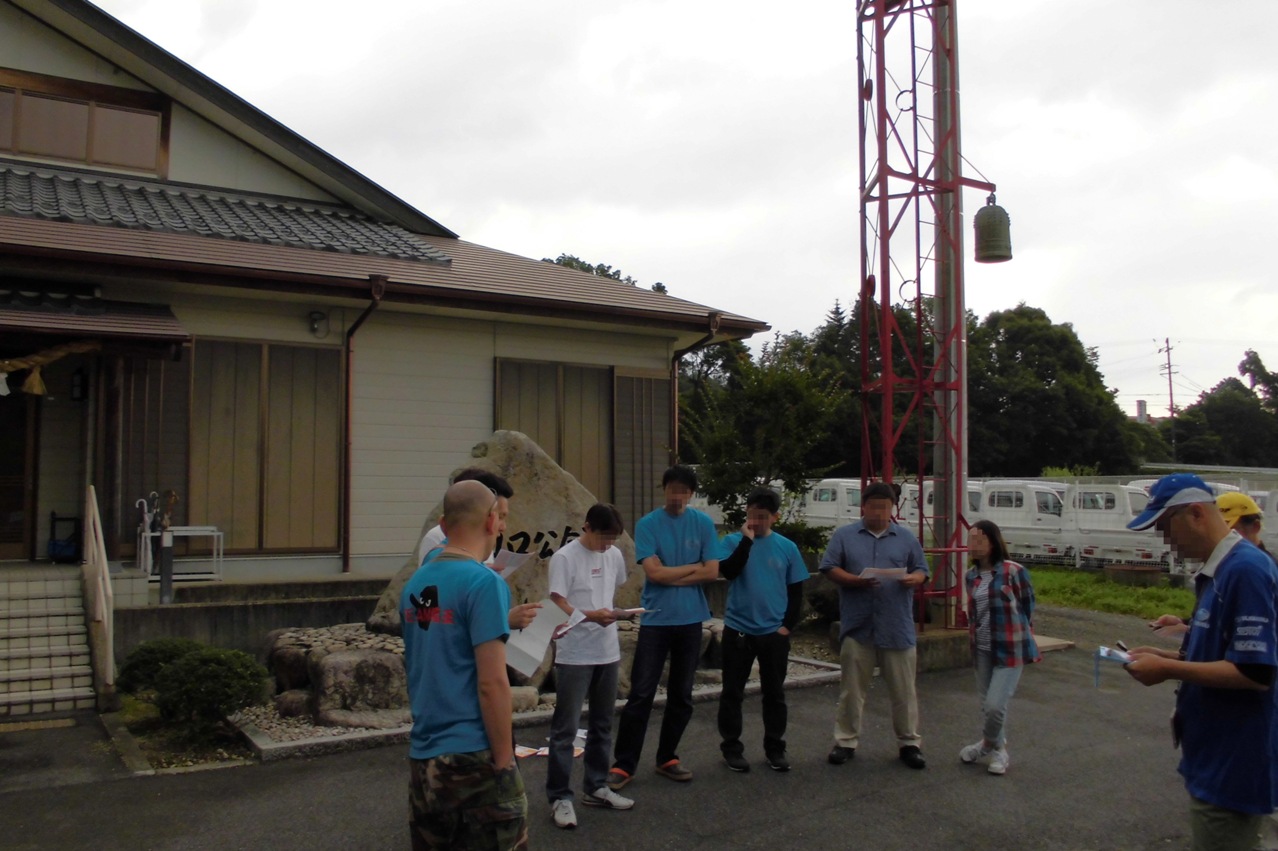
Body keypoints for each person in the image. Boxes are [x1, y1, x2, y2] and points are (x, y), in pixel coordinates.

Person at [1123, 474, 1278, 851]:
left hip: (1233, 763)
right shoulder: (1218, 570)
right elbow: (1224, 653)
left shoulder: (1244, 569)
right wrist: (1164, 655)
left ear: (1195, 514)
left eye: (1165, 527)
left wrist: (1168, 670)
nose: (1165, 540)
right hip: (1213, 756)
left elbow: (1255, 672)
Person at [400, 479, 528, 850]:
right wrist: (504, 762)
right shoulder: (484, 583)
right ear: (491, 521)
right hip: (473, 756)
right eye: (501, 518)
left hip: (423, 758)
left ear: (443, 523)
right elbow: (492, 683)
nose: (502, 525)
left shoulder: (415, 583)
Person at [607, 465, 719, 789]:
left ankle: (667, 757)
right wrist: (693, 568)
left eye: (684, 490)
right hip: (656, 619)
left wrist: (674, 573)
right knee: (641, 693)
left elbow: (712, 572)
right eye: (673, 489)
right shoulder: (648, 524)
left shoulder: (703, 524)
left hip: (691, 618)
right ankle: (624, 765)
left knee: (681, 694)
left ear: (691, 494)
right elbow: (654, 574)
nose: (677, 496)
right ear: (664, 489)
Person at [820, 480, 930, 769]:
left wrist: (914, 579)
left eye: (885, 507)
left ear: (892, 508)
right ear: (864, 507)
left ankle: (909, 743)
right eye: (873, 506)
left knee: (904, 691)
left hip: (896, 626)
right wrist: (854, 580)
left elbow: (921, 569)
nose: (879, 512)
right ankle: (845, 741)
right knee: (852, 690)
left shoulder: (906, 538)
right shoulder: (845, 535)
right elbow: (829, 567)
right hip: (859, 625)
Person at [545, 503, 636, 829]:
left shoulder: (613, 554)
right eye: (603, 538)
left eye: (613, 539)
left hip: (607, 650)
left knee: (602, 724)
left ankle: (596, 786)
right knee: (565, 730)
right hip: (574, 653)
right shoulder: (565, 557)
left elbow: (613, 587)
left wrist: (611, 614)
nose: (607, 545)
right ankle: (560, 797)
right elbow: (557, 601)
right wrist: (589, 615)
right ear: (587, 527)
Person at [716, 488, 809, 773]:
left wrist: (786, 627)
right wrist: (746, 541)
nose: (755, 521)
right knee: (732, 692)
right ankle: (732, 748)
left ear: (775, 517)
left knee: (774, 693)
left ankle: (775, 748)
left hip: (773, 632)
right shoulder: (731, 541)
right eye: (751, 515)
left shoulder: (787, 547)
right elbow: (728, 571)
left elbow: (796, 591)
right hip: (738, 629)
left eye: (763, 517)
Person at [959, 519, 1040, 776]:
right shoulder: (970, 576)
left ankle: (987, 745)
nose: (973, 544)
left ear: (993, 542)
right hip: (982, 647)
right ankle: (997, 749)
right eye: (970, 539)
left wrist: (1022, 632)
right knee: (988, 705)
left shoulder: (1013, 571)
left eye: (979, 539)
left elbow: (1027, 605)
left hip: (1011, 647)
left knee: (995, 704)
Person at [416, 468, 539, 632]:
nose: (502, 527)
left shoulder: (484, 548)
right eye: (500, 517)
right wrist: (503, 620)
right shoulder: (436, 538)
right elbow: (434, 609)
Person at [1150, 491, 1274, 639]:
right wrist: (1186, 623)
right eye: (1218, 528)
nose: (1222, 537)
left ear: (1255, 527)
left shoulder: (1256, 570)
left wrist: (1189, 631)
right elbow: (1221, 616)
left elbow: (1254, 637)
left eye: (1231, 531)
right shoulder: (1222, 563)